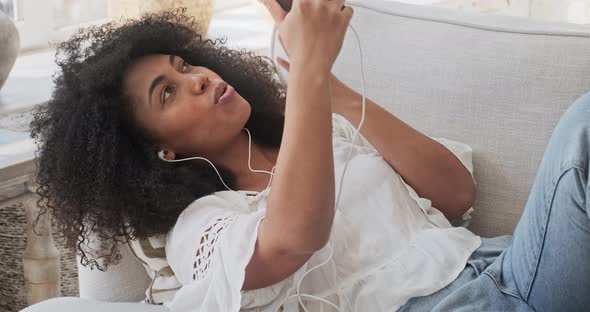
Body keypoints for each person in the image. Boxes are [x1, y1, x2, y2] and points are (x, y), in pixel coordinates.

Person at [25, 0, 589, 311]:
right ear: (159, 151)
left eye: (183, 64)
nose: (196, 78)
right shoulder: (201, 230)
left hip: (506, 267)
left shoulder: (328, 132)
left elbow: (456, 192)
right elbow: (294, 236)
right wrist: (313, 75)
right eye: (166, 93)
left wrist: (332, 91)